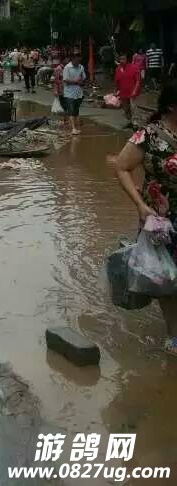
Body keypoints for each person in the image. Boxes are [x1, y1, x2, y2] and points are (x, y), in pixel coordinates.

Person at [114, 81, 177, 354]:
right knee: (167, 277)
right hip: (161, 221)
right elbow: (121, 167)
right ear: (172, 107)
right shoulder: (148, 136)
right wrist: (139, 204)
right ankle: (174, 334)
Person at [114, 52, 142, 128]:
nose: (122, 61)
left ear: (127, 59)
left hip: (132, 91)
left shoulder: (134, 68)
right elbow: (117, 81)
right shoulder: (118, 69)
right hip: (123, 91)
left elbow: (138, 80)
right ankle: (130, 121)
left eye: (124, 59)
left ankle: (135, 122)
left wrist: (135, 90)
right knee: (125, 108)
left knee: (133, 107)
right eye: (121, 59)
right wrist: (116, 91)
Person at [62, 51, 86, 135]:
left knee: (76, 110)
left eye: (79, 60)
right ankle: (73, 128)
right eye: (76, 60)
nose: (78, 62)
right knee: (71, 110)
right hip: (69, 92)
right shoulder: (67, 67)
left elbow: (83, 77)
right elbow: (65, 80)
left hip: (78, 92)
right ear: (72, 59)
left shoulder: (81, 67)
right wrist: (75, 81)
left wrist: (81, 81)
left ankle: (75, 126)